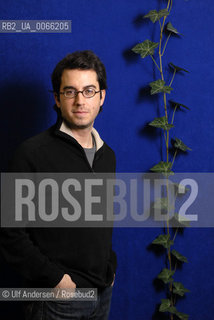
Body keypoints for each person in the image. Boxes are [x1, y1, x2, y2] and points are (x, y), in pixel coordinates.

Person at [1, 50, 117, 320]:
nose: (80, 101)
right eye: (70, 91)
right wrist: (56, 279)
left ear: (102, 97)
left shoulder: (107, 155)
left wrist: (110, 267)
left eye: (89, 91)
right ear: (56, 98)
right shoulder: (31, 153)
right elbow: (9, 232)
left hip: (102, 295)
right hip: (57, 300)